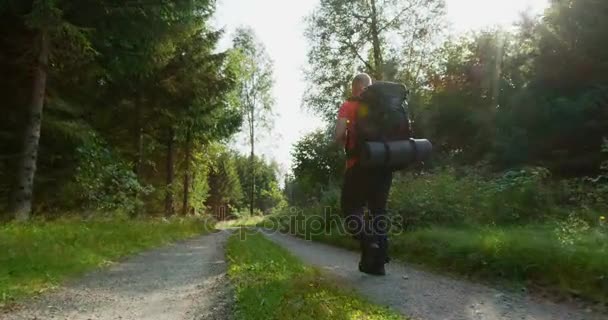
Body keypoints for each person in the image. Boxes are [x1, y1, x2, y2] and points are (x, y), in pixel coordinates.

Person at [335, 73, 394, 276]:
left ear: (354, 87)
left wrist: (347, 135)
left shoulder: (349, 105)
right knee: (378, 211)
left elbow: (338, 134)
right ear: (369, 86)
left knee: (351, 209)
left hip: (359, 165)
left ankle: (369, 242)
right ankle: (378, 264)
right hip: (385, 165)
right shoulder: (387, 105)